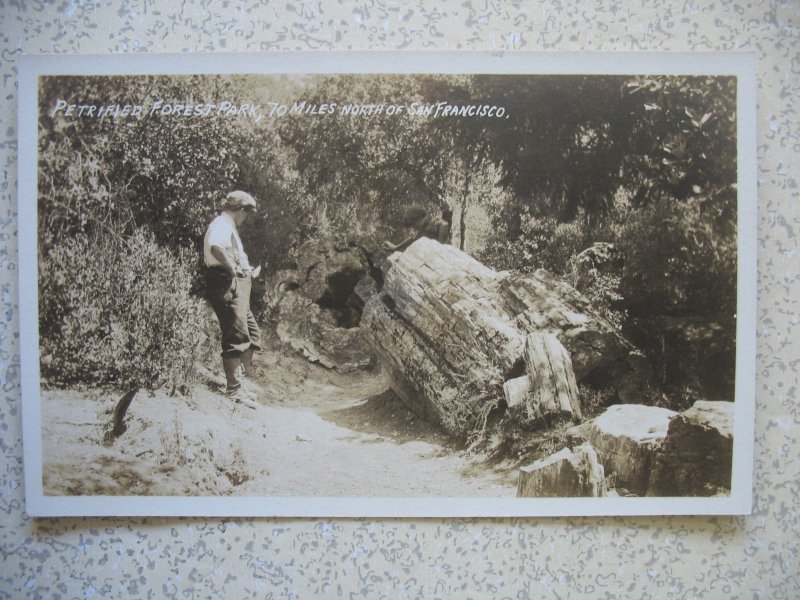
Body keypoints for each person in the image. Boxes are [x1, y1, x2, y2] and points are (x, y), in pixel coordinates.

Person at [203, 190, 262, 409]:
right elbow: (216, 247)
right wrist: (233, 269)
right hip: (226, 282)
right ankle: (234, 389)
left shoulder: (227, 226)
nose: (247, 218)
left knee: (252, 334)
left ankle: (240, 383)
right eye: (247, 213)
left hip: (236, 282)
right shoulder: (221, 224)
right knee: (235, 333)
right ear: (241, 210)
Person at [383, 205, 451, 252]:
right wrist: (396, 247)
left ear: (420, 219)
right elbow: (413, 238)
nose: (414, 228)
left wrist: (440, 247)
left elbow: (444, 225)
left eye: (414, 225)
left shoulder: (432, 222)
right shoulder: (422, 228)